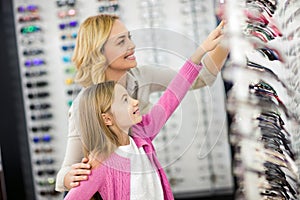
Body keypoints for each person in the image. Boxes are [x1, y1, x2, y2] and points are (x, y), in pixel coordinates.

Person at [55, 14, 229, 192]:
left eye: (129, 37)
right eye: (121, 41)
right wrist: (70, 177)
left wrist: (229, 40)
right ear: (99, 53)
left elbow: (194, 81)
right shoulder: (84, 106)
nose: (132, 45)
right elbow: (64, 175)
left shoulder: (141, 77)